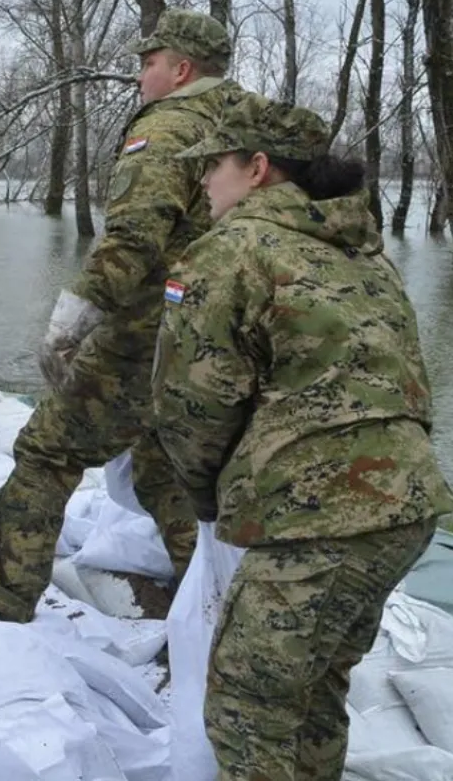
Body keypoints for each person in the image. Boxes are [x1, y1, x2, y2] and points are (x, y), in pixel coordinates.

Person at [153, 93, 452, 781]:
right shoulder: (365, 251)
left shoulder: (228, 251)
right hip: (406, 510)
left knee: (247, 709)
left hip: (318, 518)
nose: (203, 180)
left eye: (215, 165)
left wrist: (208, 506)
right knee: (313, 694)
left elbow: (189, 408)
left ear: (257, 168)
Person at [0, 9, 243, 622]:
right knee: (167, 470)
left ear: (181, 68)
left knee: (47, 451)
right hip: (216, 343)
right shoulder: (245, 126)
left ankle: (4, 598)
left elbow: (135, 235)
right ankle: (213, 614)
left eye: (148, 62)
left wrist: (79, 312)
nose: (140, 75)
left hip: (143, 339)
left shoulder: (170, 126)